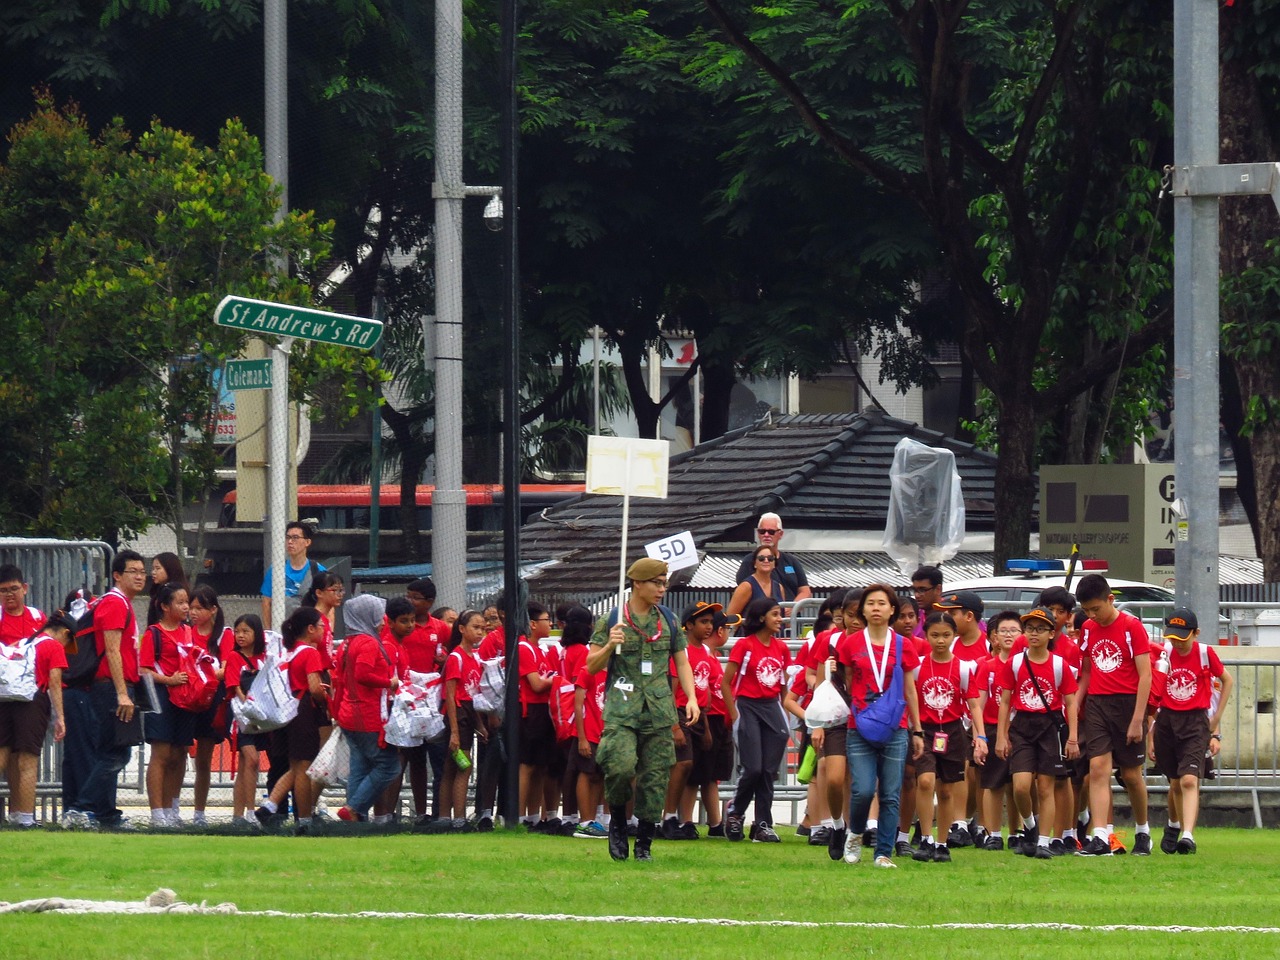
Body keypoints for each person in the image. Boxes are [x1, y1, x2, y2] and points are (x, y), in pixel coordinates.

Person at [587, 557, 699, 862]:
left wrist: (691, 697)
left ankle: (645, 843)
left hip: (659, 712)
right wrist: (610, 645)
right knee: (620, 768)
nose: (662, 589)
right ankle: (619, 824)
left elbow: (682, 661)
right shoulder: (612, 620)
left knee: (655, 779)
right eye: (656, 583)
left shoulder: (669, 620)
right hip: (623, 710)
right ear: (637, 583)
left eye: (664, 583)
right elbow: (591, 665)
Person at [834, 583, 924, 868]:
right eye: (871, 603)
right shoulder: (850, 643)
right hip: (859, 724)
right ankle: (856, 833)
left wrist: (917, 729)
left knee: (890, 792)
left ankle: (883, 852)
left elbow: (910, 689)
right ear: (862, 609)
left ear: (892, 610)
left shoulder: (903, 645)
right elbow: (846, 681)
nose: (876, 608)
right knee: (861, 789)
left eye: (882, 603)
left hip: (895, 725)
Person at [64, 549, 146, 831]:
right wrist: (123, 693)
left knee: (108, 751)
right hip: (111, 687)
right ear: (117, 575)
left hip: (111, 686)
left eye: (142, 571)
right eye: (132, 571)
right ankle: (81, 808)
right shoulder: (115, 603)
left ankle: (106, 813)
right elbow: (112, 650)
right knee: (116, 753)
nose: (139, 576)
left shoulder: (119, 602)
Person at [1074, 573, 1153, 856]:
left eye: (1096, 609)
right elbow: (1086, 671)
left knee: (1130, 775)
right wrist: (1075, 702)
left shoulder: (1132, 627)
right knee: (1097, 769)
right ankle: (1100, 835)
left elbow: (1145, 675)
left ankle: (1143, 831)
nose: (1092, 615)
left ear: (1111, 599)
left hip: (1128, 704)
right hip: (1097, 703)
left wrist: (1137, 719)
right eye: (1086, 611)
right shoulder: (1089, 629)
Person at [995, 607, 1080, 860]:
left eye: (1040, 629)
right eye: (1030, 629)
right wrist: (1002, 736)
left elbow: (1071, 702)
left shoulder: (1058, 665)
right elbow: (1005, 701)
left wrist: (1073, 737)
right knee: (1021, 786)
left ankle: (1043, 841)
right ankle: (1030, 826)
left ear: (1051, 633)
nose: (1034, 634)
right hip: (1022, 726)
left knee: (1046, 786)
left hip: (1049, 727)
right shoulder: (1016, 662)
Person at [1152, 608, 1233, 855]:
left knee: (1189, 779)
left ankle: (1188, 835)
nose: (1177, 644)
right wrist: (1150, 733)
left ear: (1195, 634)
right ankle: (1173, 824)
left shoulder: (1205, 653)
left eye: (1182, 638)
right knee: (1175, 781)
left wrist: (1215, 720)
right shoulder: (1163, 654)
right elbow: (1154, 689)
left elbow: (1226, 681)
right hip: (1166, 720)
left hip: (1195, 721)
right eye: (1173, 638)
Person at [911, 611, 986, 863]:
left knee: (946, 791)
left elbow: (974, 704)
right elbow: (910, 700)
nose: (940, 641)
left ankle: (942, 842)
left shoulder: (963, 668)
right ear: (926, 635)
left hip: (953, 731)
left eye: (946, 635)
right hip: (925, 731)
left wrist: (981, 737)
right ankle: (924, 838)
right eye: (934, 635)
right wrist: (915, 730)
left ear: (954, 635)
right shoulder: (918, 667)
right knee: (925, 781)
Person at [256, 606, 330, 832]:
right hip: (304, 711)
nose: (323, 630)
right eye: (320, 626)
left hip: (285, 714)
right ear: (309, 629)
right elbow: (314, 687)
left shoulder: (286, 653)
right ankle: (304, 820)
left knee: (295, 766)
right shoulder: (309, 653)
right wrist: (326, 698)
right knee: (304, 768)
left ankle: (270, 805)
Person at [0, 612, 71, 827]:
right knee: (27, 761)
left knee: (3, 755)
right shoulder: (53, 646)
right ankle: (24, 818)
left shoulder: (24, 642)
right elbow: (55, 680)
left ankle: (14, 815)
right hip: (33, 701)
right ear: (66, 633)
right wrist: (60, 717)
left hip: (4, 699)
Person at [334, 593, 400, 822]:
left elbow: (340, 679)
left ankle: (355, 819)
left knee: (360, 765)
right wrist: (389, 682)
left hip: (348, 714)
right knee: (389, 766)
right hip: (367, 714)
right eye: (378, 614)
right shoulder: (368, 643)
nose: (383, 620)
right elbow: (363, 674)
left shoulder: (347, 643)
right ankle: (353, 809)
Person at [140, 582, 198, 827]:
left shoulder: (188, 632)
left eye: (187, 602)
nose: (186, 607)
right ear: (164, 606)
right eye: (180, 602)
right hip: (162, 697)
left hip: (186, 698)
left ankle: (173, 810)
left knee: (179, 754)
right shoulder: (153, 633)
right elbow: (143, 670)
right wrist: (168, 680)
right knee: (161, 754)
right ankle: (157, 814)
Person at [661, 602, 720, 840]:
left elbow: (703, 693)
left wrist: (704, 726)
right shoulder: (681, 652)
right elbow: (672, 689)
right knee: (682, 764)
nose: (709, 626)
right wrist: (674, 725)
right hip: (679, 712)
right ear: (688, 625)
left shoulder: (705, 652)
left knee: (693, 770)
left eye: (710, 621)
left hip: (697, 715)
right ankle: (668, 817)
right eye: (703, 622)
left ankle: (681, 819)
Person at [933, 589, 988, 846]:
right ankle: (959, 823)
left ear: (968, 616)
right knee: (959, 771)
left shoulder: (989, 644)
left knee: (977, 775)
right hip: (954, 719)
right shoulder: (949, 643)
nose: (946, 618)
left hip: (981, 717)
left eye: (952, 613)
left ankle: (971, 820)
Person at [975, 611, 1021, 851]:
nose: (1009, 635)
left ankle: (1017, 831)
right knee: (993, 784)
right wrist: (979, 735)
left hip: (1021, 729)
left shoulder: (1025, 664)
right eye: (1004, 631)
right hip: (993, 728)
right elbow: (978, 704)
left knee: (1018, 783)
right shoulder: (987, 666)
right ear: (994, 637)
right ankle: (992, 832)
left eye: (1014, 630)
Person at [188, 585, 232, 825]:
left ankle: (199, 812)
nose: (193, 612)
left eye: (199, 608)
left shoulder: (224, 635)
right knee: (175, 755)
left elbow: (226, 669)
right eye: (191, 608)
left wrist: (206, 675)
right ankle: (169, 809)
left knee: (203, 759)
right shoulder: (186, 632)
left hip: (211, 698)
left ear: (213, 609)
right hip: (187, 698)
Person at [442, 609, 486, 827]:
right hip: (458, 714)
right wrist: (455, 732)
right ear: (461, 629)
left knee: (455, 768)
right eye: (475, 627)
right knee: (463, 766)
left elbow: (474, 693)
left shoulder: (475, 657)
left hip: (469, 712)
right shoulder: (456, 657)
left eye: (483, 628)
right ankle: (457, 818)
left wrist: (480, 724)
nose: (480, 632)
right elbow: (450, 696)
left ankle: (448, 817)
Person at [227, 614, 268, 826]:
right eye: (238, 631)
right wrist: (249, 705)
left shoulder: (264, 657)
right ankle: (250, 811)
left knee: (246, 765)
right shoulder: (234, 657)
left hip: (261, 719)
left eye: (246, 631)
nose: (240, 635)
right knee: (251, 759)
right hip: (242, 719)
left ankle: (238, 815)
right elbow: (234, 686)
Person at [733, 512, 811, 603]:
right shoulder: (749, 560)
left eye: (771, 532)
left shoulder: (791, 561)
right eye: (762, 531)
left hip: (791, 615)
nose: (766, 535)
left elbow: (805, 591)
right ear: (758, 533)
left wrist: (791, 607)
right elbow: (742, 592)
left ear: (780, 534)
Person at [261, 520, 326, 627]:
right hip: (281, 629)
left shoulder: (318, 571)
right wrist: (269, 631)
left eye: (295, 538)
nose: (290, 542)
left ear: (307, 542)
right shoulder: (276, 569)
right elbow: (266, 602)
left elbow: (327, 605)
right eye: (288, 537)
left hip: (309, 631)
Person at [726, 545, 792, 619]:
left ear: (774, 564)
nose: (766, 561)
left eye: (770, 558)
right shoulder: (746, 586)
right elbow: (730, 617)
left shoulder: (779, 588)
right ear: (755, 563)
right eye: (761, 558)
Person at [0, 565, 45, 644]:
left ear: (24, 588)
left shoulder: (37, 616)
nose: (9, 594)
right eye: (3, 590)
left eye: (14, 589)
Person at [146, 552, 189, 627]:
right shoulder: (157, 594)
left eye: (158, 568)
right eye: (153, 569)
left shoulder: (181, 592)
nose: (153, 572)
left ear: (170, 569)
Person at [909, 566, 944, 639]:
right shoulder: (912, 617)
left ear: (938, 589)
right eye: (915, 590)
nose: (917, 595)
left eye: (922, 590)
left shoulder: (951, 615)